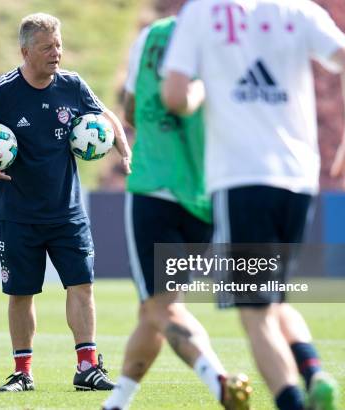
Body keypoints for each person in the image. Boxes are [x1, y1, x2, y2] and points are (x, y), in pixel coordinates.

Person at [161, 1, 345, 409]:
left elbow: (174, 94)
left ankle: (292, 400)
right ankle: (313, 372)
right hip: (297, 181)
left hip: (241, 180)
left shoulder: (202, 12)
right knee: (274, 300)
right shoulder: (298, 9)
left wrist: (198, 94)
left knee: (254, 313)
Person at [0, 12, 132, 392]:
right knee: (20, 294)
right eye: (48, 47)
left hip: (67, 213)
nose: (56, 53)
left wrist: (124, 153)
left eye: (59, 45)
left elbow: (106, 117)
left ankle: (86, 367)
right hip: (18, 216)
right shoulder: (2, 90)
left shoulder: (73, 86)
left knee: (81, 286)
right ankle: (23, 372)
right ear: (26, 51)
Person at [103, 1, 251, 409]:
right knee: (153, 310)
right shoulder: (237, 40)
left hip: (156, 188)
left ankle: (219, 379)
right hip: (205, 197)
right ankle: (116, 403)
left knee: (162, 309)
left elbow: (132, 109)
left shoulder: (152, 36)